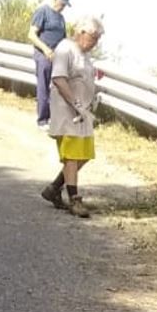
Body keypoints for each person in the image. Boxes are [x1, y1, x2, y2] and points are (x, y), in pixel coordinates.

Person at [38, 16, 105, 219]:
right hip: (68, 112)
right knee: (72, 156)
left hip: (82, 112)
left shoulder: (84, 54)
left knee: (83, 155)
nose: (95, 42)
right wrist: (74, 104)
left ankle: (55, 188)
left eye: (97, 39)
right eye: (93, 37)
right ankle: (74, 200)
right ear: (81, 33)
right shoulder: (65, 49)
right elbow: (59, 78)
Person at [27, 0, 70, 129]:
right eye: (62, 3)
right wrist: (45, 49)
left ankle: (54, 118)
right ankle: (42, 120)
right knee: (43, 87)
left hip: (57, 57)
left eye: (65, 5)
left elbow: (64, 39)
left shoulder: (61, 19)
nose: (63, 7)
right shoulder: (43, 11)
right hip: (43, 54)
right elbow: (32, 35)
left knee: (56, 88)